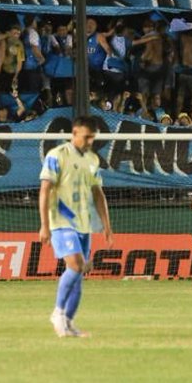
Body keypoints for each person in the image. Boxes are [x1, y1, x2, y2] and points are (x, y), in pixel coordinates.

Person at [38, 116, 114, 338]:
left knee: (79, 272)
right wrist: (44, 225)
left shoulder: (92, 160)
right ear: (75, 132)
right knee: (76, 264)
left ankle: (69, 322)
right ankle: (57, 312)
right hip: (61, 221)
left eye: (93, 137)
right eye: (87, 136)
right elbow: (45, 190)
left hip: (84, 223)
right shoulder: (57, 156)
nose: (90, 141)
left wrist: (106, 225)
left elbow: (98, 194)